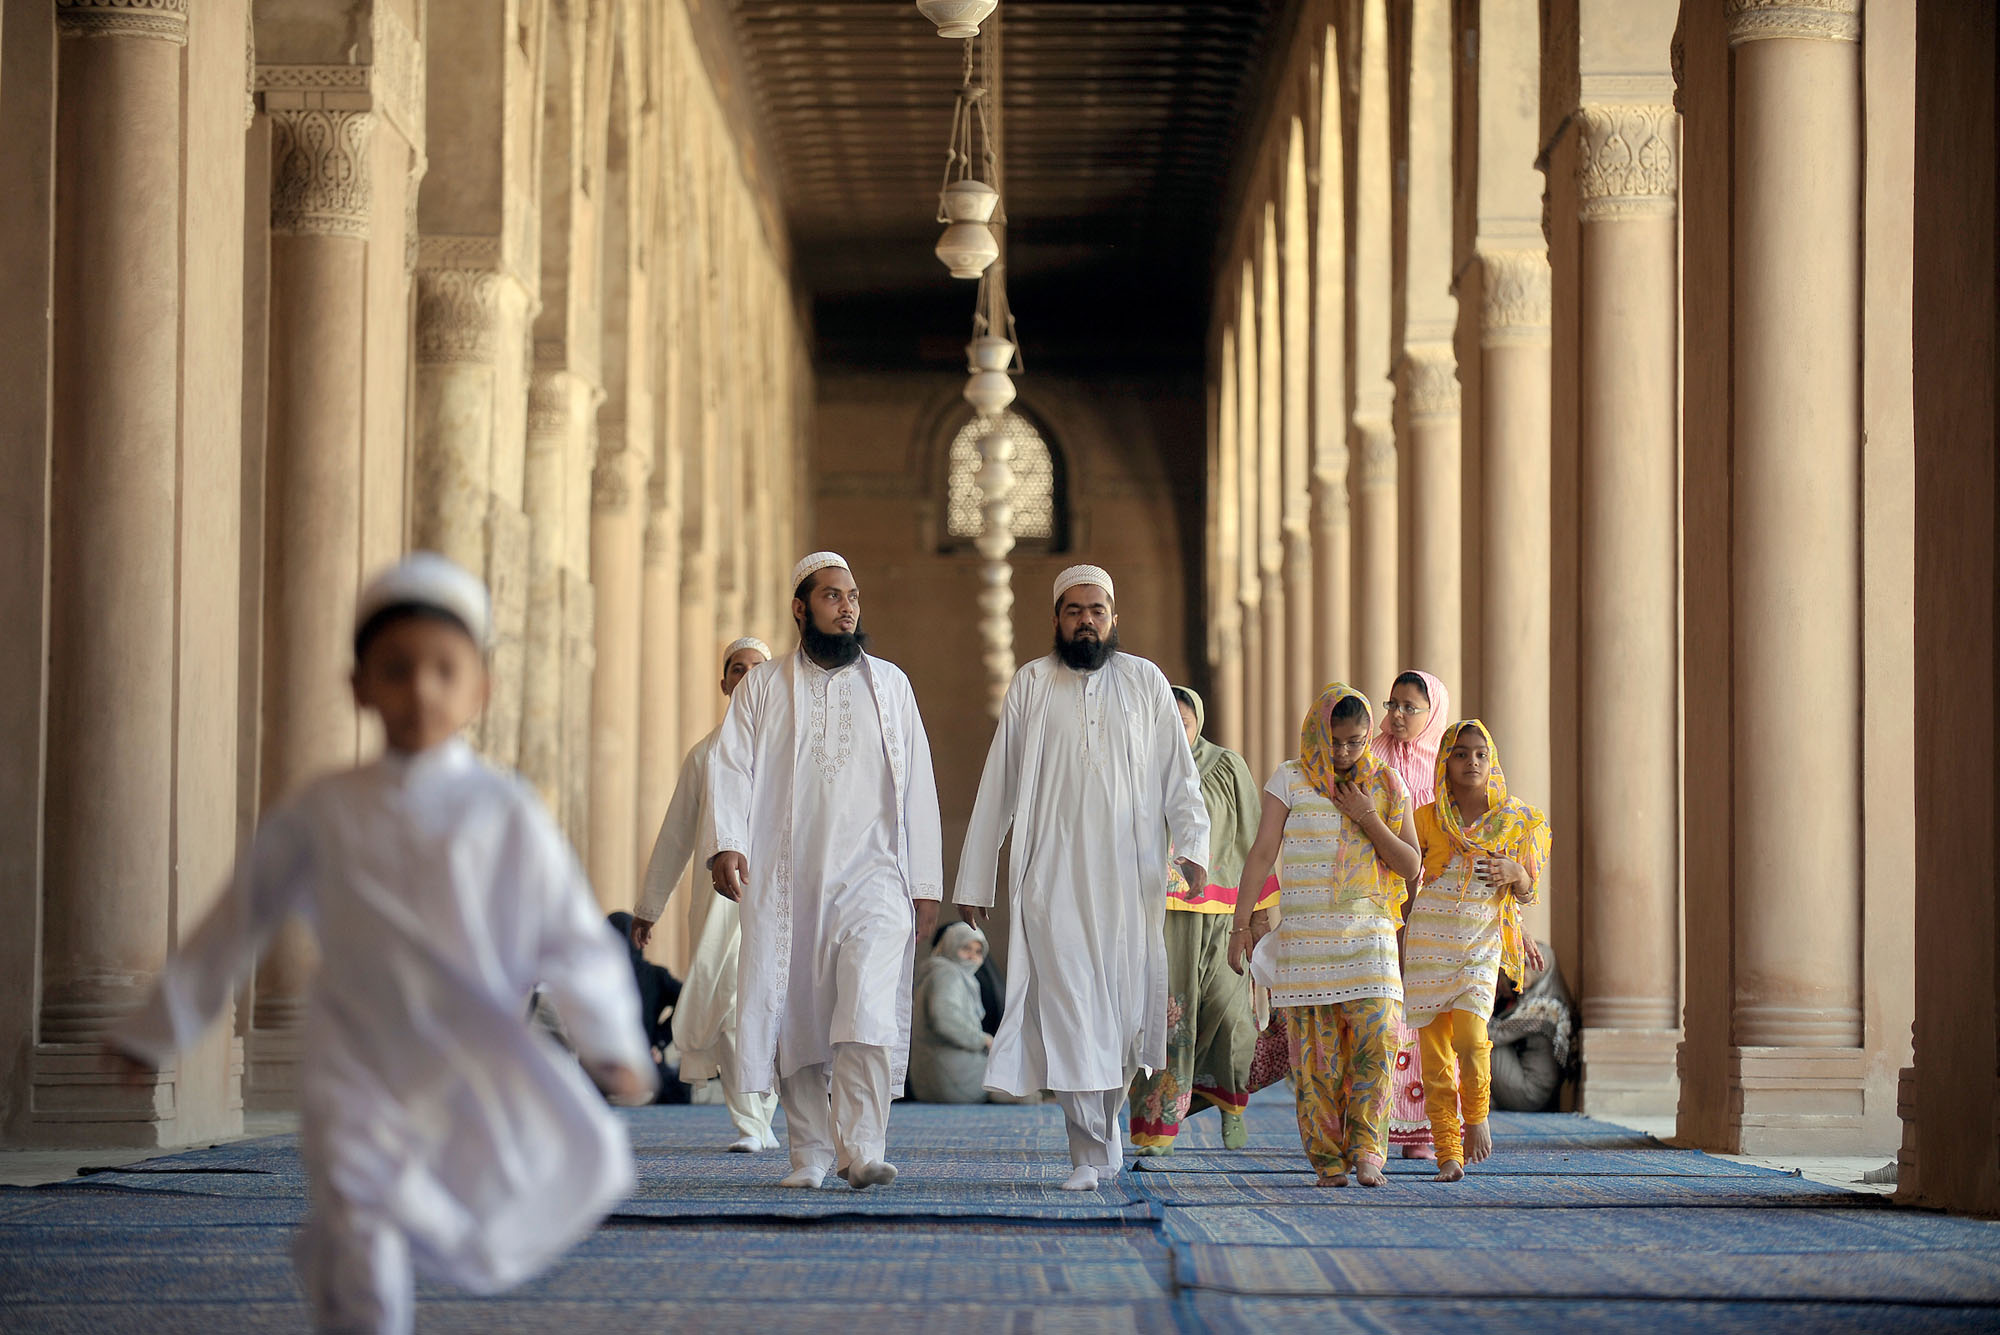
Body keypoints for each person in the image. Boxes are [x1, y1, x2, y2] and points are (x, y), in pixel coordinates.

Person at [110, 553, 655, 1335]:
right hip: (354, 1056)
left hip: (461, 1055)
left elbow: (569, 935)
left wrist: (610, 1040)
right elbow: (237, 917)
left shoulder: (505, 811)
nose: (421, 689)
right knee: (360, 1211)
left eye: (443, 669)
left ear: (481, 688)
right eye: (396, 669)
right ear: (359, 685)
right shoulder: (324, 810)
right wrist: (155, 1029)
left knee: (435, 1207)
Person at [956, 565, 1211, 1192]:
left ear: (1113, 617)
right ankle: (1087, 1152)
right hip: (1052, 877)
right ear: (1056, 620)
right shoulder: (1031, 685)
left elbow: (1179, 778)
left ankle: (1106, 1123)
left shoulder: (1147, 683)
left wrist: (1195, 847)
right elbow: (998, 787)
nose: (1086, 620)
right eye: (1073, 610)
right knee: (1070, 1010)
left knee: (1124, 1022)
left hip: (1130, 882)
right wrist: (975, 880)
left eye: (1097, 609)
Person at [704, 553, 944, 1190]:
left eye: (853, 597)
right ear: (800, 608)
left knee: (866, 1007)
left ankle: (861, 1148)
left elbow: (919, 784)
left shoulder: (890, 685)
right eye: (833, 596)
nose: (847, 607)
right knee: (796, 1016)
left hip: (875, 876)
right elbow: (730, 769)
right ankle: (809, 1155)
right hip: (789, 882)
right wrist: (727, 842)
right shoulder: (761, 687)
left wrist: (925, 884)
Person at [1229, 683, 1420, 1188]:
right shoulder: (1290, 779)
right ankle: (1329, 1161)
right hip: (1308, 947)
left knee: (1378, 1042)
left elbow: (1410, 864)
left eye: (1355, 742)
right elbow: (1262, 853)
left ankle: (1368, 1151)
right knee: (1315, 1060)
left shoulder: (1387, 783)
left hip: (1370, 940)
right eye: (1333, 741)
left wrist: (1367, 817)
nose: (1342, 753)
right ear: (1316, 731)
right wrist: (1240, 922)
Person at [632, 636, 780, 1151]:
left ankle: (767, 1110)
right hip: (720, 903)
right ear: (724, 683)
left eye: (756, 669)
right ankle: (752, 1123)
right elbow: (675, 835)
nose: (745, 677)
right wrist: (650, 907)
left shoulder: (793, 748)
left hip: (783, 900)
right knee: (732, 1007)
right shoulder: (706, 754)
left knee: (773, 1005)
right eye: (736, 670)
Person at [1403, 719, 1552, 1182]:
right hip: (1429, 941)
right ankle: (1447, 1150)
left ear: (1493, 762)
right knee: (1435, 1056)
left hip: (1480, 941)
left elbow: (1527, 891)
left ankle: (1477, 1116)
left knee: (1470, 1038)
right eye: (1462, 753)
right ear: (1445, 760)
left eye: (1481, 754)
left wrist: (1515, 871)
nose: (1472, 762)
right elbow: (1408, 884)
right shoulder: (1425, 818)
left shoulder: (1514, 821)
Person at [1129, 686, 1271, 1155]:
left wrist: (1259, 915)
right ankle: (1158, 1129)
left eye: (1183, 723)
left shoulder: (1227, 767)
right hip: (1161, 916)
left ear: (1198, 723)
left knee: (1232, 1017)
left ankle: (1233, 1105)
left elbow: (1256, 838)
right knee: (1172, 1022)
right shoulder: (1139, 771)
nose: (1175, 732)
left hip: (1226, 916)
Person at [1371, 670, 1450, 1160]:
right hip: (1378, 896)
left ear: (1432, 712)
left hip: (1433, 901)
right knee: (1383, 1007)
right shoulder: (1369, 754)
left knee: (1426, 1009)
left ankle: (1421, 1129)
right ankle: (1377, 1119)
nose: (1397, 715)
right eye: (1392, 704)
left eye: (1409, 707)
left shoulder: (1448, 763)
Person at [605, 912, 688, 1103]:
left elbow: (687, 1003)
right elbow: (688, 1003)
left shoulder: (595, 976)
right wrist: (659, 1043)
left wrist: (659, 1042)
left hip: (617, 1064)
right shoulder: (654, 975)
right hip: (635, 1062)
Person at [908, 922, 993, 1104]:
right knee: (1012, 1080)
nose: (972, 957)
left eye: (978, 952)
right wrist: (983, 1040)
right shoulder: (947, 974)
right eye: (966, 948)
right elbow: (945, 1020)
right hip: (950, 1079)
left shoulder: (940, 972)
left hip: (933, 1080)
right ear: (950, 946)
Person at [1488, 939, 1576, 1113]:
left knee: (1481, 1042)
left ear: (1545, 970)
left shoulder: (1544, 1008)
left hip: (1530, 1093)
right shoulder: (1550, 1002)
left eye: (1532, 965)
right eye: (1522, 964)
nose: (1523, 971)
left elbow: (1494, 1034)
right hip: (1537, 1091)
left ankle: (1474, 1102)